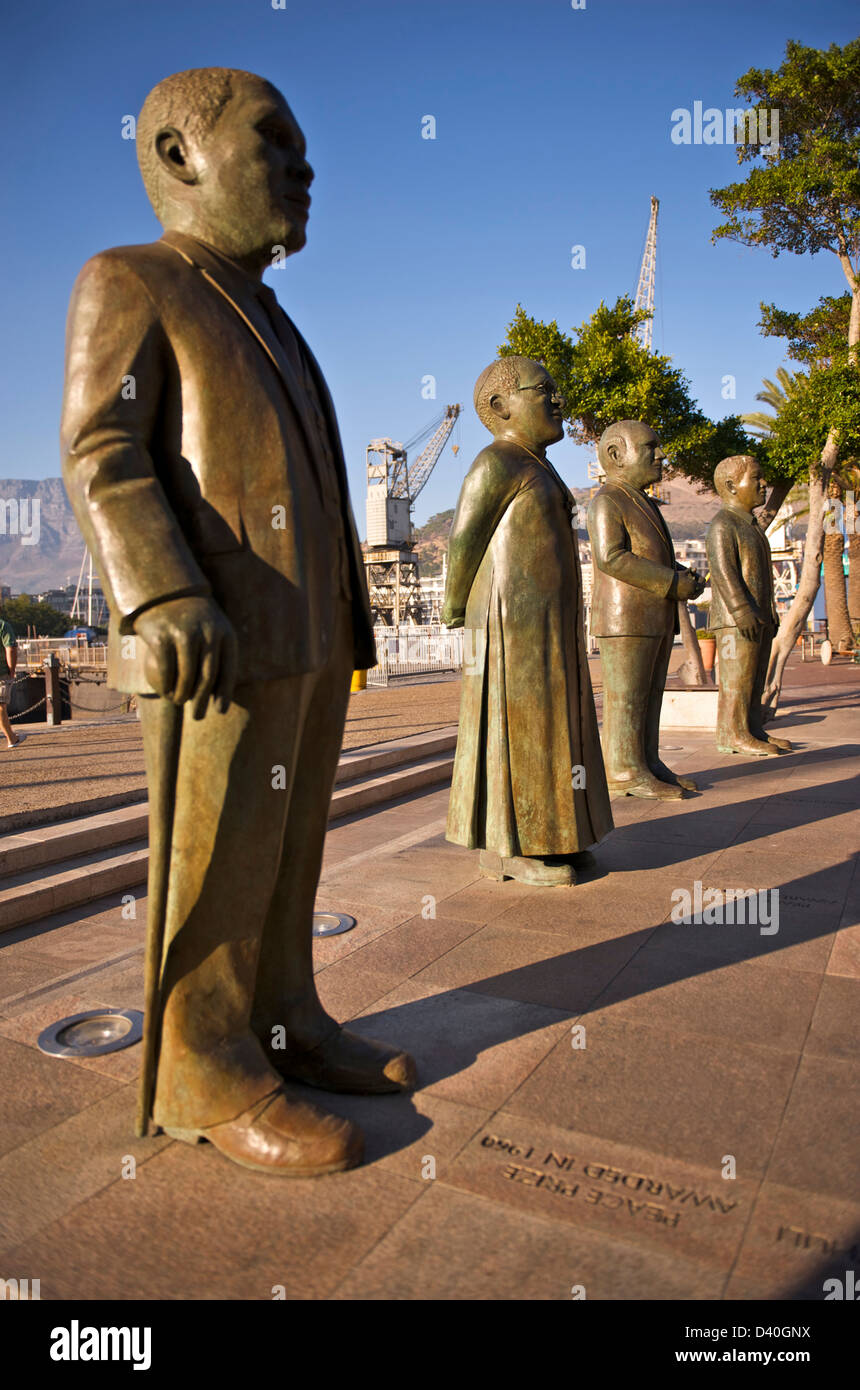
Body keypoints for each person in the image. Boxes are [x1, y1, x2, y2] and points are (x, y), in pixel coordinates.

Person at [61, 67, 415, 1177]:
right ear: (178, 157)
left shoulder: (277, 321)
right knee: (215, 863)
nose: (304, 168)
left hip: (305, 637)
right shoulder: (133, 280)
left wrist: (348, 619)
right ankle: (203, 1068)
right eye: (275, 141)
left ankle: (284, 1018)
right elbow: (103, 453)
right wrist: (161, 593)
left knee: (288, 852)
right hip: (209, 642)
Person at [442, 356, 613, 888]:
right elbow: (464, 539)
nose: (557, 401)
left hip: (548, 621)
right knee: (517, 727)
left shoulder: (538, 464)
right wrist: (453, 607)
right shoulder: (496, 462)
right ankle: (507, 846)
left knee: (556, 724)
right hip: (508, 621)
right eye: (545, 390)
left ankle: (558, 834)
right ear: (501, 406)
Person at [587, 421, 704, 799]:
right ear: (616, 456)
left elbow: (653, 555)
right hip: (625, 618)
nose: (660, 455)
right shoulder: (607, 500)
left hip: (653, 615)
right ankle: (622, 769)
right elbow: (611, 557)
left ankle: (647, 760)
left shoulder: (644, 502)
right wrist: (672, 583)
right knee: (628, 697)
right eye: (650, 447)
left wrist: (682, 575)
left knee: (651, 694)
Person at [707, 454, 791, 757]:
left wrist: (768, 613)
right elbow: (724, 573)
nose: (763, 483)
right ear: (731, 485)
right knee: (736, 681)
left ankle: (752, 729)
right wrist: (742, 611)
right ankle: (733, 734)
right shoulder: (722, 525)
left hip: (759, 618)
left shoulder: (750, 525)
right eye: (756, 478)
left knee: (754, 679)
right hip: (735, 621)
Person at [0, 610, 24, 748]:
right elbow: (11, 649)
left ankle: (12, 737)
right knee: (1, 706)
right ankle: (11, 739)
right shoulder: (3, 626)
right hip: (1, 672)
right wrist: (12, 669)